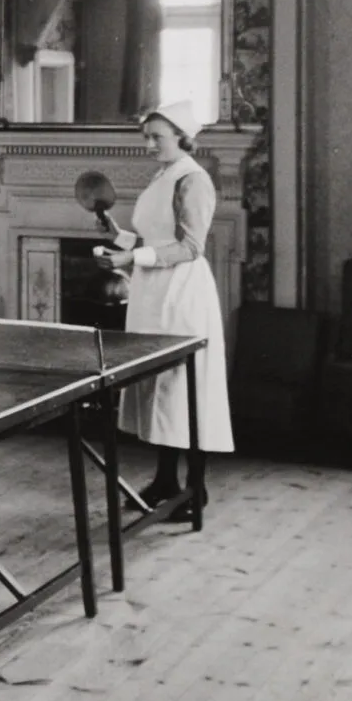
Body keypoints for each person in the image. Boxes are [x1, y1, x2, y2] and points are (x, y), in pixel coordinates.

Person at [94, 100, 235, 513]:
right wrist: (118, 238)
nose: (149, 143)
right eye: (147, 136)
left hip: (182, 295)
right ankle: (164, 481)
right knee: (158, 387)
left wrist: (129, 260)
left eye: (156, 136)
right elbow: (153, 240)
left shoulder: (194, 181)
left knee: (183, 389)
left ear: (181, 136)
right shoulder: (163, 176)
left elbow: (190, 248)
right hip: (153, 292)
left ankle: (196, 490)